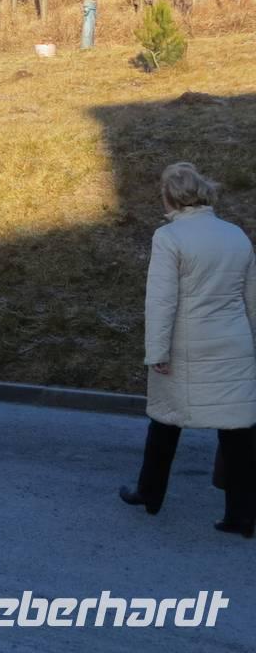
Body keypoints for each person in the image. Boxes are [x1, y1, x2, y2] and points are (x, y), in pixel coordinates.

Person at [120, 162, 256, 537]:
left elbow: (162, 301)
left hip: (186, 345)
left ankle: (149, 494)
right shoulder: (236, 235)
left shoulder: (170, 238)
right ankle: (242, 517)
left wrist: (156, 352)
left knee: (165, 422)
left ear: (169, 195)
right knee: (238, 431)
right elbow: (252, 298)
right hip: (234, 342)